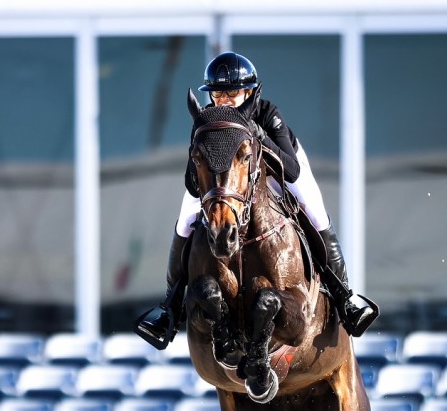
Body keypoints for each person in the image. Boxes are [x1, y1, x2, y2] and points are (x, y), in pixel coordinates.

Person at [135, 51, 378, 350]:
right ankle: (169, 310)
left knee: (315, 211)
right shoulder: (208, 121)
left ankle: (345, 298)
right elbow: (191, 179)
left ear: (249, 92)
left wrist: (258, 135)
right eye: (217, 94)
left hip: (274, 173)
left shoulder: (267, 112)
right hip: (226, 186)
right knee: (185, 220)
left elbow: (291, 168)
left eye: (231, 92)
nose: (222, 100)